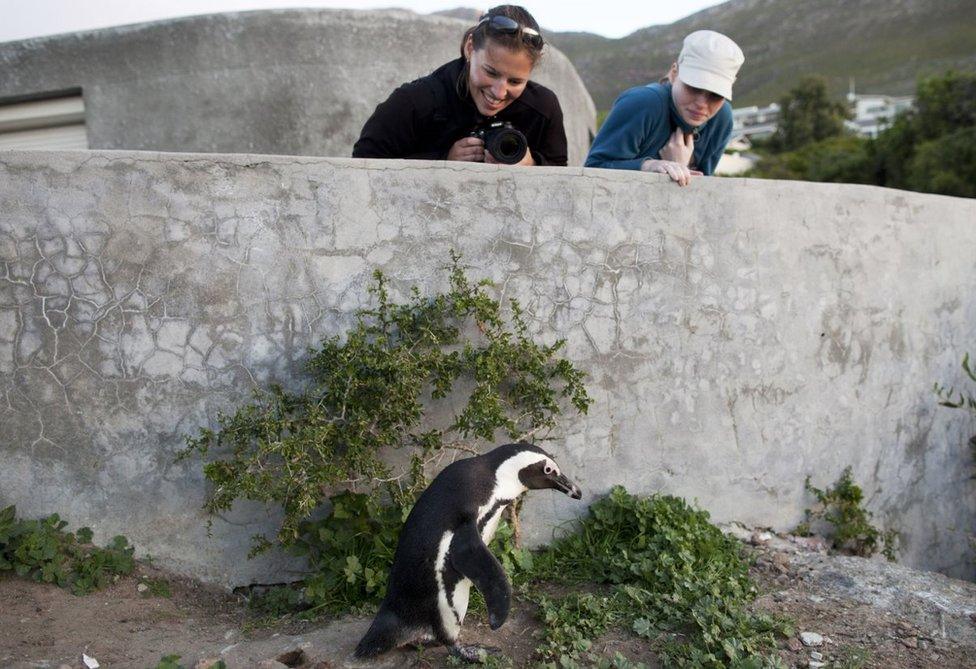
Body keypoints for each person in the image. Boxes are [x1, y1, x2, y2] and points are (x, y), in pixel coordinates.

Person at [352, 5, 567, 166]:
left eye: (515, 81)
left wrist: (531, 164)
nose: (499, 92)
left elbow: (564, 180)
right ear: (470, 48)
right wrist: (443, 160)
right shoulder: (414, 102)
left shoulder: (543, 108)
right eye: (491, 72)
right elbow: (362, 164)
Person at [585, 30, 745, 186]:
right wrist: (648, 166)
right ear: (674, 73)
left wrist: (681, 167)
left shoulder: (721, 119)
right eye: (694, 87)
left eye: (716, 95)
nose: (702, 104)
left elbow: (702, 187)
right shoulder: (642, 103)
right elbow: (593, 169)